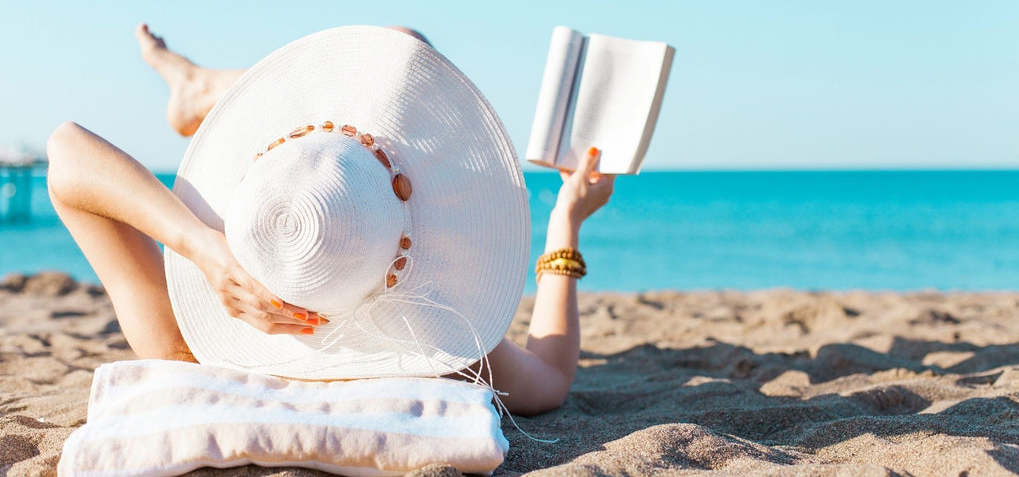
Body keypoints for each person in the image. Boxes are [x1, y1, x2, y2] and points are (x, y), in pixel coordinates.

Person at [46, 24, 614, 417]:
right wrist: (567, 218)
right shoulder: (440, 354)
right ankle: (207, 90)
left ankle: (203, 90)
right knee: (404, 46)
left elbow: (67, 151)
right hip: (350, 285)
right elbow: (552, 375)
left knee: (399, 48)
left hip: (225, 265)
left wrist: (202, 247)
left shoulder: (186, 349)